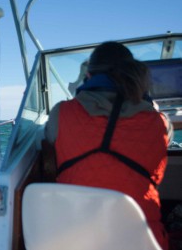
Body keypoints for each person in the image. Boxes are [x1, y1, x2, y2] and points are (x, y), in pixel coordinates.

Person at [43, 41, 173, 249]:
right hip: (140, 239)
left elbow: (53, 139)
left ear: (89, 76)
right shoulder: (159, 121)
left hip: (74, 238)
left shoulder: (61, 113)